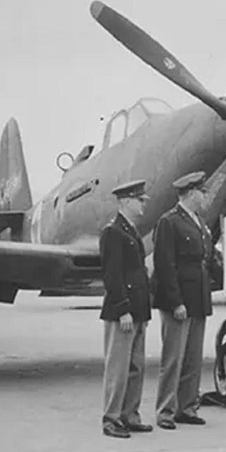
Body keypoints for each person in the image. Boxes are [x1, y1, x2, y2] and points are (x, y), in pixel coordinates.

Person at [153, 171, 220, 430]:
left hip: (198, 299)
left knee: (193, 358)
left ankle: (187, 407)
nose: (205, 197)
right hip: (178, 302)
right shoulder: (169, 222)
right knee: (173, 359)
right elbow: (165, 265)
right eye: (202, 192)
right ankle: (166, 411)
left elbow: (210, 260)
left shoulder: (200, 223)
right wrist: (175, 302)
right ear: (190, 193)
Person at [99, 179, 153, 438]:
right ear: (125, 202)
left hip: (138, 311)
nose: (144, 204)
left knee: (135, 367)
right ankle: (111, 419)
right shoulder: (113, 232)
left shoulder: (130, 230)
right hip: (124, 313)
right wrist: (122, 310)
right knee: (118, 369)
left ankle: (130, 415)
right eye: (139, 200)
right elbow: (112, 275)